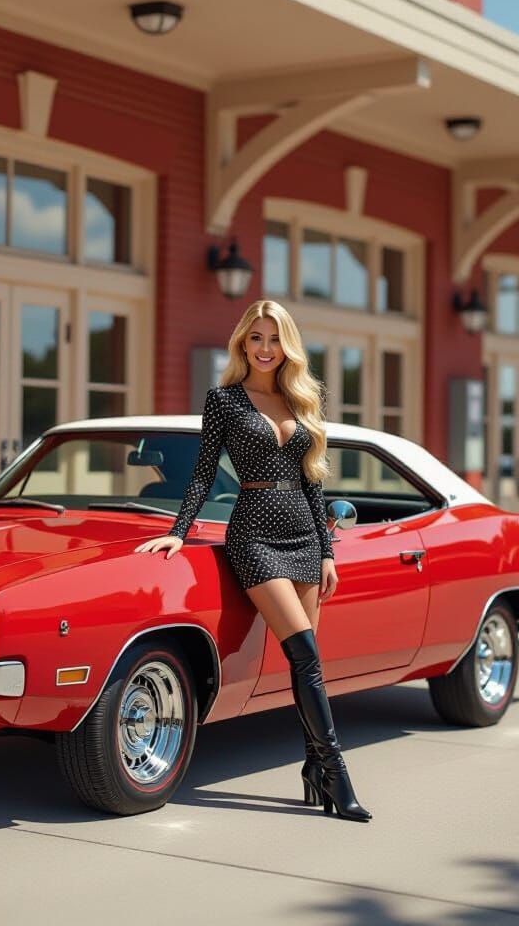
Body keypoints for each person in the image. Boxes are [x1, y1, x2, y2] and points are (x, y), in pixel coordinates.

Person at [135, 298, 371, 823]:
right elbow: (202, 472)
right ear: (243, 343)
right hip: (255, 535)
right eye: (256, 338)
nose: (265, 348)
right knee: (304, 653)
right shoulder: (224, 400)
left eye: (274, 339)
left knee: (308, 664)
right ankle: (337, 772)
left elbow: (313, 482)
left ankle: (313, 765)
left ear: (288, 346)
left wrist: (327, 551)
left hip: (304, 535)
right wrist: (178, 533)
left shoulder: (304, 398)